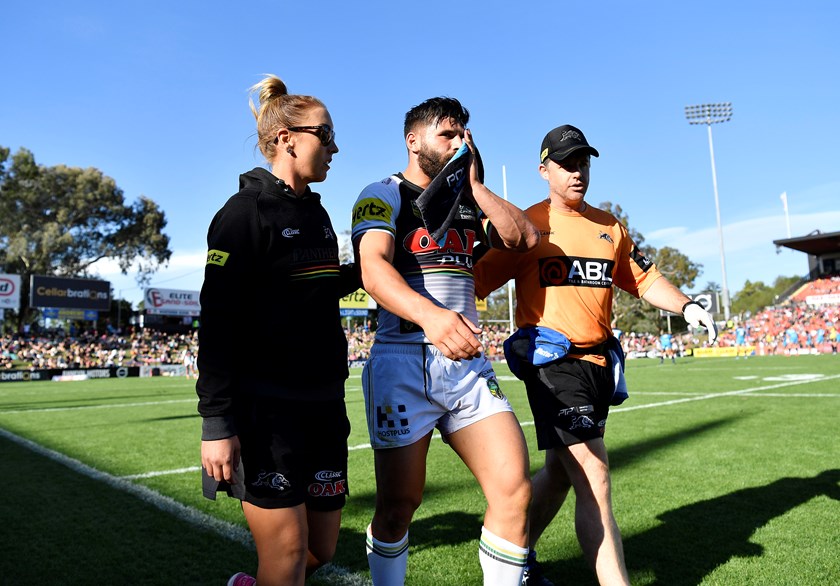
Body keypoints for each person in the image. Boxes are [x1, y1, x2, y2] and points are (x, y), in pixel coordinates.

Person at [473, 124, 718, 586]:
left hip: (599, 363)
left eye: (583, 161)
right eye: (567, 163)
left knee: (560, 475)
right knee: (595, 478)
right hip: (552, 366)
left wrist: (687, 305)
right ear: (544, 169)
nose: (578, 171)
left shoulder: (611, 227)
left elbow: (644, 279)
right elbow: (476, 282)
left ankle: (510, 555)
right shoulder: (525, 226)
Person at [352, 97, 541, 585]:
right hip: (403, 362)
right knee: (399, 506)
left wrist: (475, 184)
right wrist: (432, 317)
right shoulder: (382, 192)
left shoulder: (468, 200)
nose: (460, 143)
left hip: (467, 366)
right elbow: (372, 269)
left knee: (514, 490)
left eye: (464, 135)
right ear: (413, 141)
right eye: (448, 135)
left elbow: (524, 239)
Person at [196, 75, 356, 586]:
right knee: (286, 555)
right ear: (287, 137)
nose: (334, 147)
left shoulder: (318, 213)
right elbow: (217, 323)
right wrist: (217, 424)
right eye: (325, 135)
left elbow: (315, 290)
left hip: (325, 405)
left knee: (320, 550)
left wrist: (378, 262)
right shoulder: (243, 214)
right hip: (267, 414)